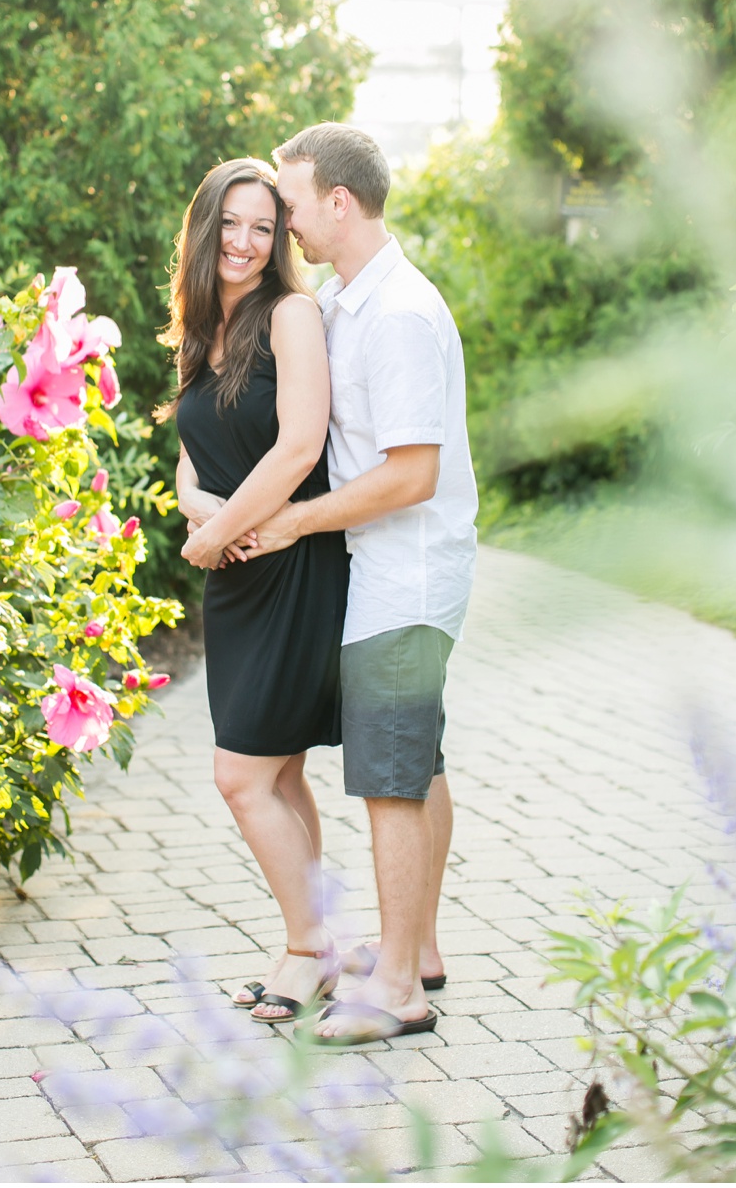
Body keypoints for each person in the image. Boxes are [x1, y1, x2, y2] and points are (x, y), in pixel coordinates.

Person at [250, 122, 479, 1046]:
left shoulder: (400, 316)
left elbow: (411, 474)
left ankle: (395, 990)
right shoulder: (353, 302)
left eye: (294, 203)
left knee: (388, 776)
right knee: (416, 761)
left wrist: (295, 519)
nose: (287, 221)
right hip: (390, 572)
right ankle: (413, 948)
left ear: (338, 201)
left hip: (406, 575)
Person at [163, 158, 351, 1025]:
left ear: (279, 241)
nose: (244, 242)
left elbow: (299, 448)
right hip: (235, 573)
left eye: (263, 228)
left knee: (242, 777)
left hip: (292, 563)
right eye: (230, 224)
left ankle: (306, 950)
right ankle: (326, 947)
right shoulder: (202, 332)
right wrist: (205, 519)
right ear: (206, 229)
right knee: (279, 775)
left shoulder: (292, 314)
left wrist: (217, 529)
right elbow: (189, 462)